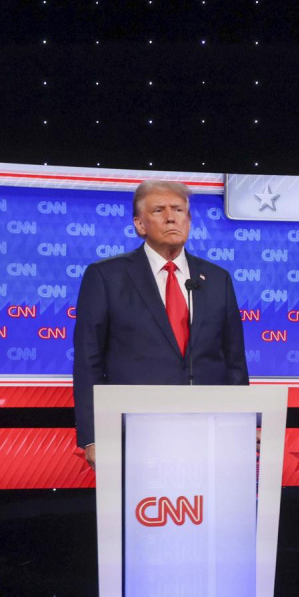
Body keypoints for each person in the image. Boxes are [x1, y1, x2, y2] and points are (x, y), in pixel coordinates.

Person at [72, 180, 249, 466]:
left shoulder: (217, 279)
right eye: (159, 210)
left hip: (208, 429)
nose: (171, 217)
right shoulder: (106, 277)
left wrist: (243, 423)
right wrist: (93, 436)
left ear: (189, 220)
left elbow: (234, 360)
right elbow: (88, 361)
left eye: (179, 210)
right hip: (135, 430)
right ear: (140, 225)